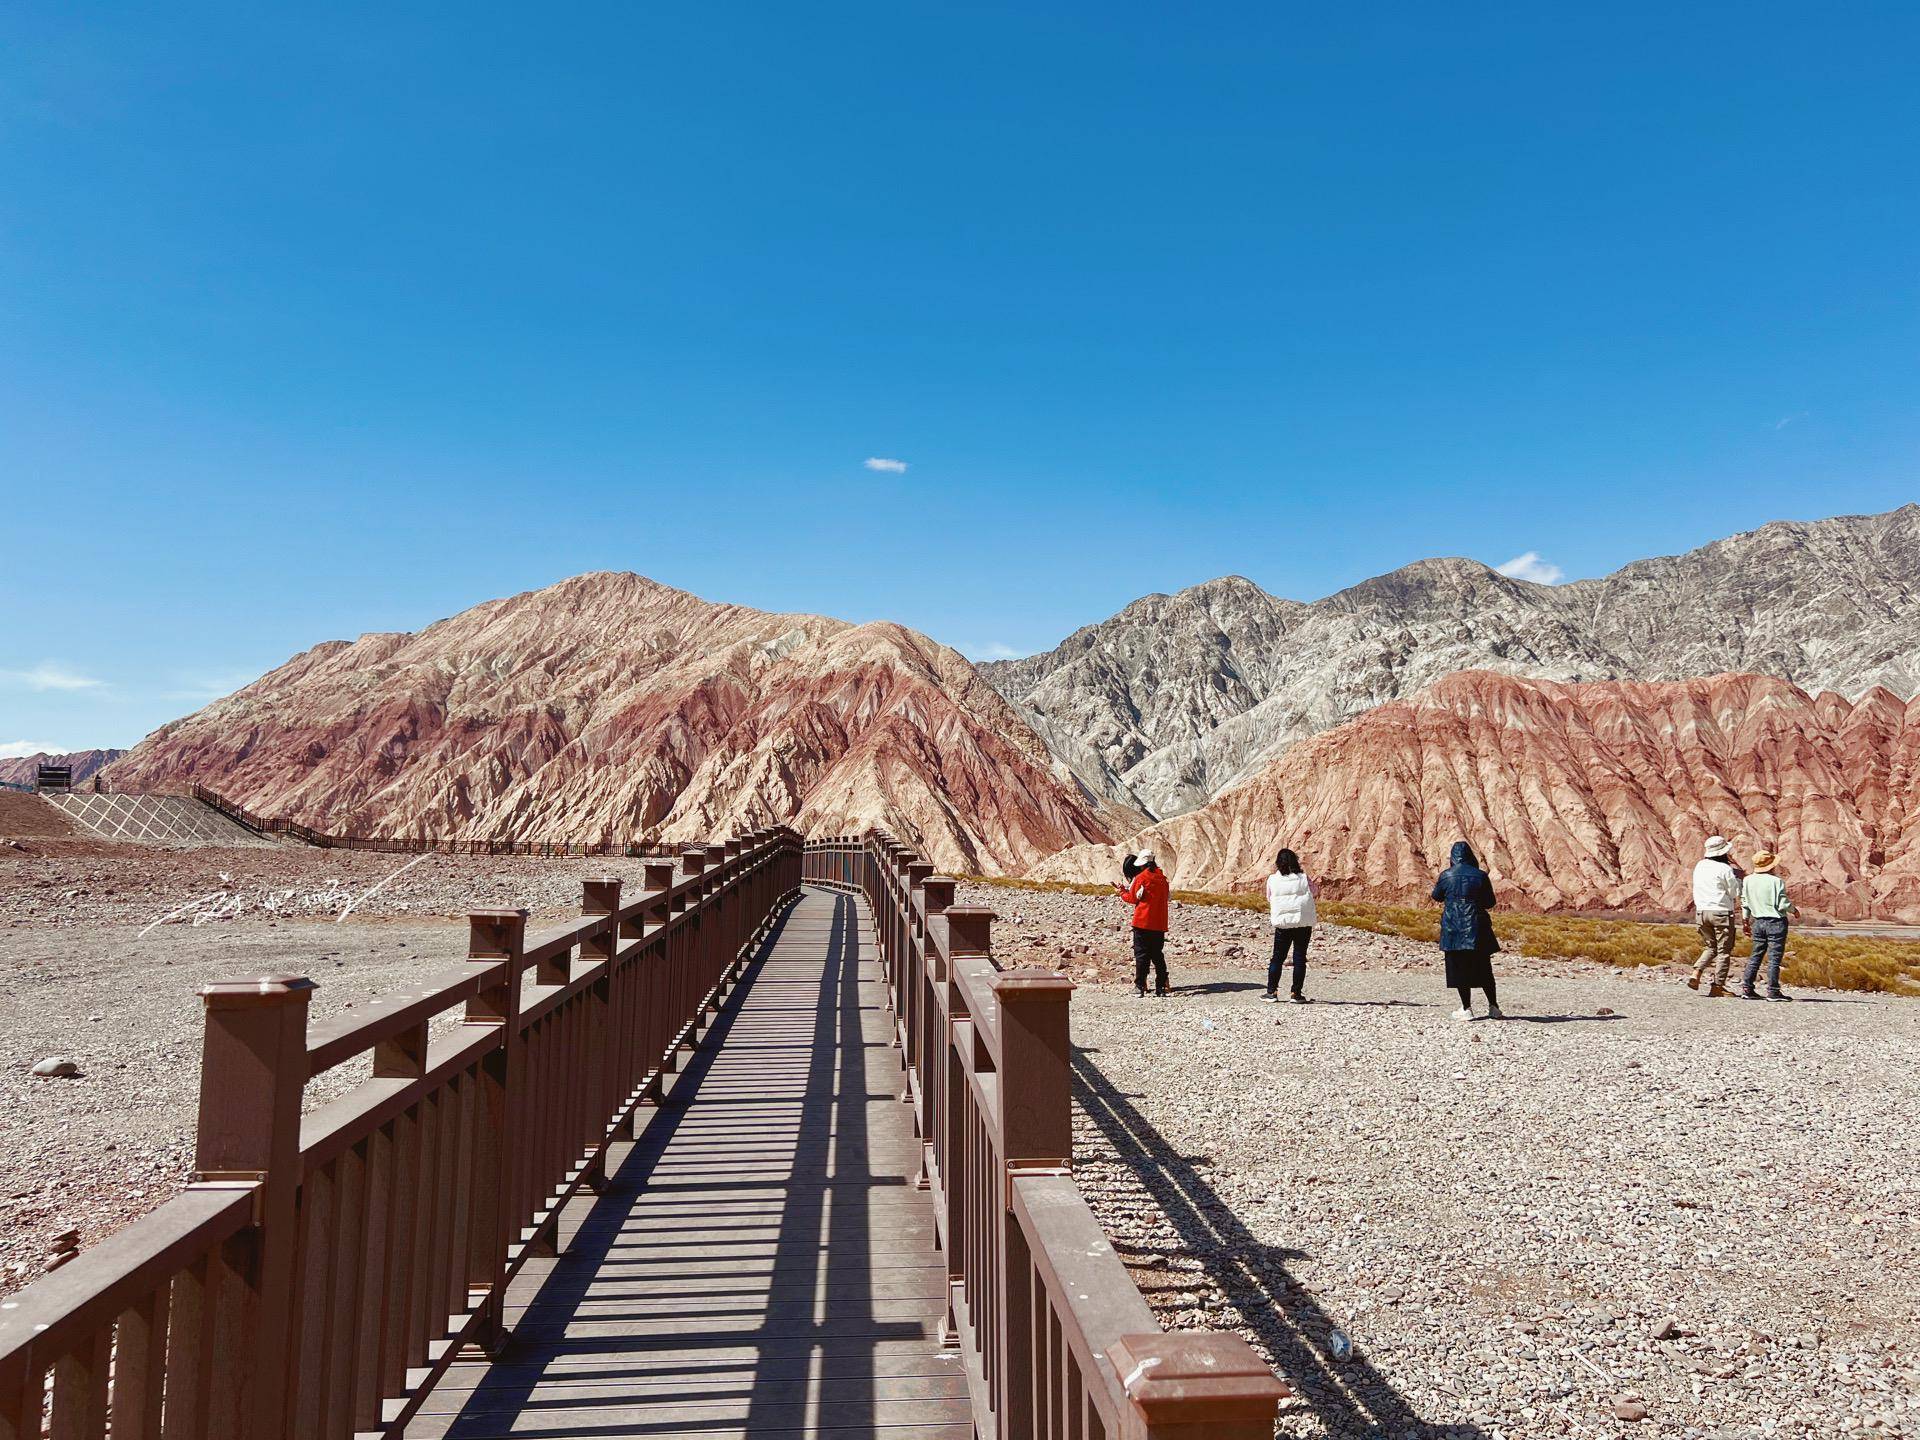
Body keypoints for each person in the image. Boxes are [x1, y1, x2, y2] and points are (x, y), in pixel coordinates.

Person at [1431, 840, 1502, 1019]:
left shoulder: (1446, 875)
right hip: (1477, 927)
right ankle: (1493, 1007)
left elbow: (1436, 896)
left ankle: (1466, 1008)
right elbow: (1490, 902)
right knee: (1484, 969)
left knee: (1459, 969)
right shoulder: (1480, 875)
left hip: (1453, 928)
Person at [1739, 850, 1798, 1001]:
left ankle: (1747, 987)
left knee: (1755, 955)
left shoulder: (1747, 880)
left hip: (1758, 922)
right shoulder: (1776, 882)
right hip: (1776, 922)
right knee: (1774, 958)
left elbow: (1745, 902)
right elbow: (1782, 903)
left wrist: (1745, 921)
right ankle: (1772, 991)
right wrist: (1794, 910)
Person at [1687, 835, 1742, 996]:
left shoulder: (1700, 865)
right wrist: (1738, 881)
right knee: (1724, 950)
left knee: (1711, 947)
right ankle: (1718, 986)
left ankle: (1696, 973)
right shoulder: (1725, 869)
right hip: (1721, 912)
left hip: (1702, 912)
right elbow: (1734, 892)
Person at [1113, 849, 1171, 996]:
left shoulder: (1140, 878)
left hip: (1142, 922)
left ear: (1141, 865)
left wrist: (1121, 892)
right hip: (1159, 924)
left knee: (1141, 955)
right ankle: (1161, 986)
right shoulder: (1163, 879)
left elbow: (1132, 898)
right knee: (1157, 955)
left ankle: (1140, 986)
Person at [1263, 848, 1318, 1003]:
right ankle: (1296, 994)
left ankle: (1271, 992)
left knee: (1277, 958)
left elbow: (1269, 898)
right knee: (1299, 958)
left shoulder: (1272, 879)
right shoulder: (1304, 878)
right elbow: (1315, 891)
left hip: (1283, 924)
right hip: (1302, 922)